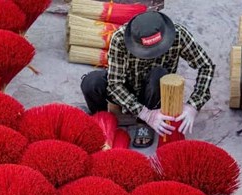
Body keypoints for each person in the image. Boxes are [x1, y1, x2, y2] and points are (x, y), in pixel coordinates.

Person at [80, 11, 215, 148]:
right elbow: (115, 85)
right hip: (127, 87)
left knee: (159, 74)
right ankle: (102, 121)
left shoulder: (179, 34)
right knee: (91, 83)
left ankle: (144, 124)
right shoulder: (119, 38)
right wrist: (146, 113)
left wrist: (193, 105)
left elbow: (206, 66)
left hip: (155, 91)